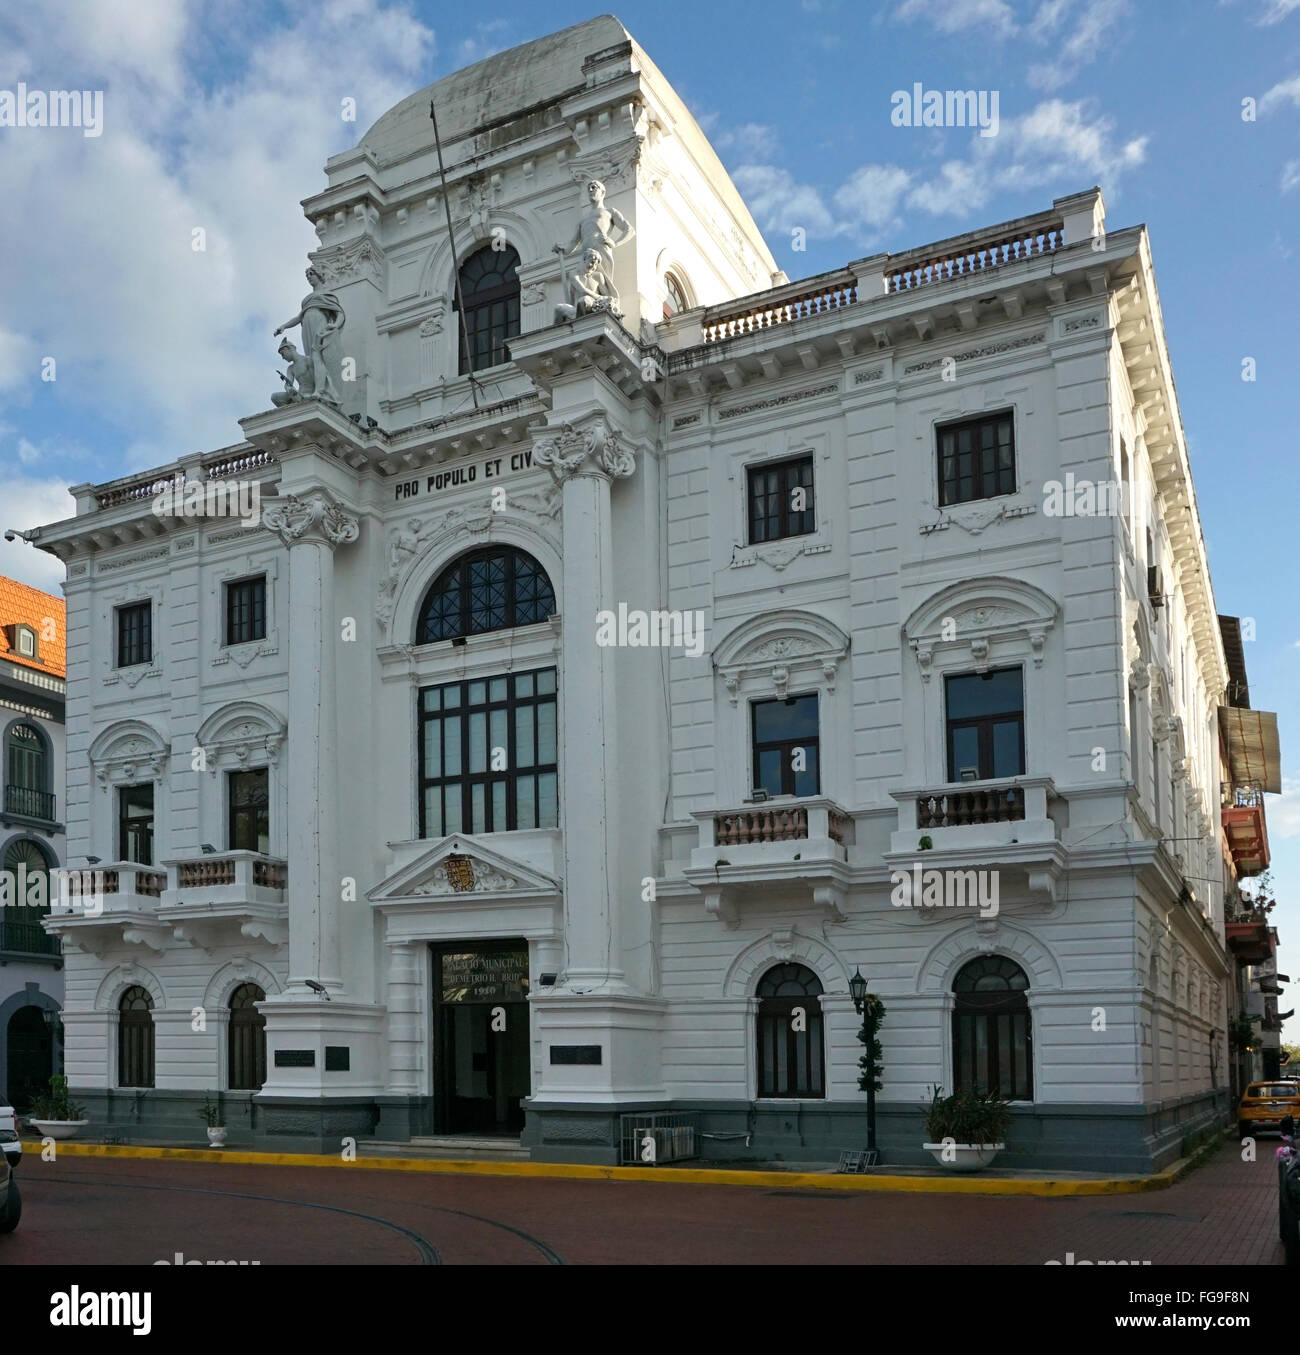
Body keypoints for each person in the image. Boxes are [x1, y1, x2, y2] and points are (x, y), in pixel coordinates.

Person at [274, 265, 345, 406]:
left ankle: (321, 390)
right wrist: (284, 326)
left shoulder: (327, 295)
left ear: (318, 275)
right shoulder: (307, 300)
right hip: (306, 328)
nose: (309, 278)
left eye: (311, 274)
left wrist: (335, 325)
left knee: (317, 357)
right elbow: (298, 317)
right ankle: (316, 389)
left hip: (321, 326)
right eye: (307, 276)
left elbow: (339, 313)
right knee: (312, 358)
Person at [552, 178, 634, 276]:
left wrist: (614, 243)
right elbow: (573, 243)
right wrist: (561, 250)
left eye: (594, 187)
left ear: (602, 192)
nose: (590, 190)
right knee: (587, 281)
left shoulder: (609, 212)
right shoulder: (583, 219)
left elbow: (630, 230)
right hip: (586, 255)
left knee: (603, 281)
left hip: (601, 250)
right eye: (589, 189)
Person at [554, 248, 622, 323]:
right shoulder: (574, 274)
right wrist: (601, 297)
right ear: (584, 259)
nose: (593, 266)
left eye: (596, 265)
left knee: (584, 300)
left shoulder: (598, 276)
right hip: (576, 310)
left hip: (593, 306)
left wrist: (604, 299)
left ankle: (582, 324)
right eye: (592, 262)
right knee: (558, 308)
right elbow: (583, 291)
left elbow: (606, 295)